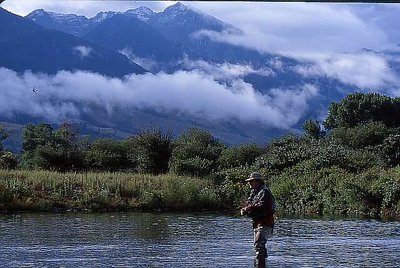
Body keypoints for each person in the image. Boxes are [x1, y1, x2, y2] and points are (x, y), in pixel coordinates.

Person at [240, 172, 275, 268]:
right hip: (258, 223)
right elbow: (250, 203)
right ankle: (262, 264)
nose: (249, 183)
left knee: (259, 245)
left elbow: (261, 206)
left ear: (257, 182)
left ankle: (260, 264)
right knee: (259, 246)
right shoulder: (255, 192)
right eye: (249, 182)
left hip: (265, 223)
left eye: (251, 181)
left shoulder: (264, 192)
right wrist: (245, 209)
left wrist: (248, 208)